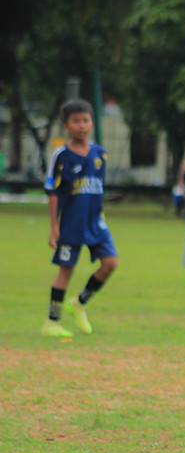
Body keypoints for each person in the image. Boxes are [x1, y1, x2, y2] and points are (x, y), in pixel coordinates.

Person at [41, 99, 119, 338]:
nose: (82, 125)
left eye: (85, 120)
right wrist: (54, 227)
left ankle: (80, 303)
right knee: (66, 270)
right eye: (76, 121)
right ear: (66, 125)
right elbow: (53, 191)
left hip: (96, 221)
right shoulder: (62, 155)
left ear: (92, 123)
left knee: (110, 263)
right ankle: (52, 322)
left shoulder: (100, 154)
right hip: (72, 223)